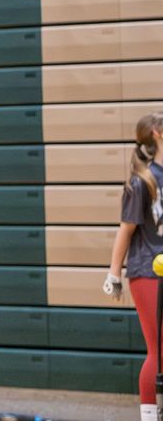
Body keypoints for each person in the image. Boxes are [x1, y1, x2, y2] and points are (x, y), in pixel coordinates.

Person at [105, 111, 163, 421]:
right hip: (147, 273)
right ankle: (149, 416)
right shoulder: (141, 182)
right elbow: (126, 230)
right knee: (159, 350)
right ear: (157, 133)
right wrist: (114, 273)